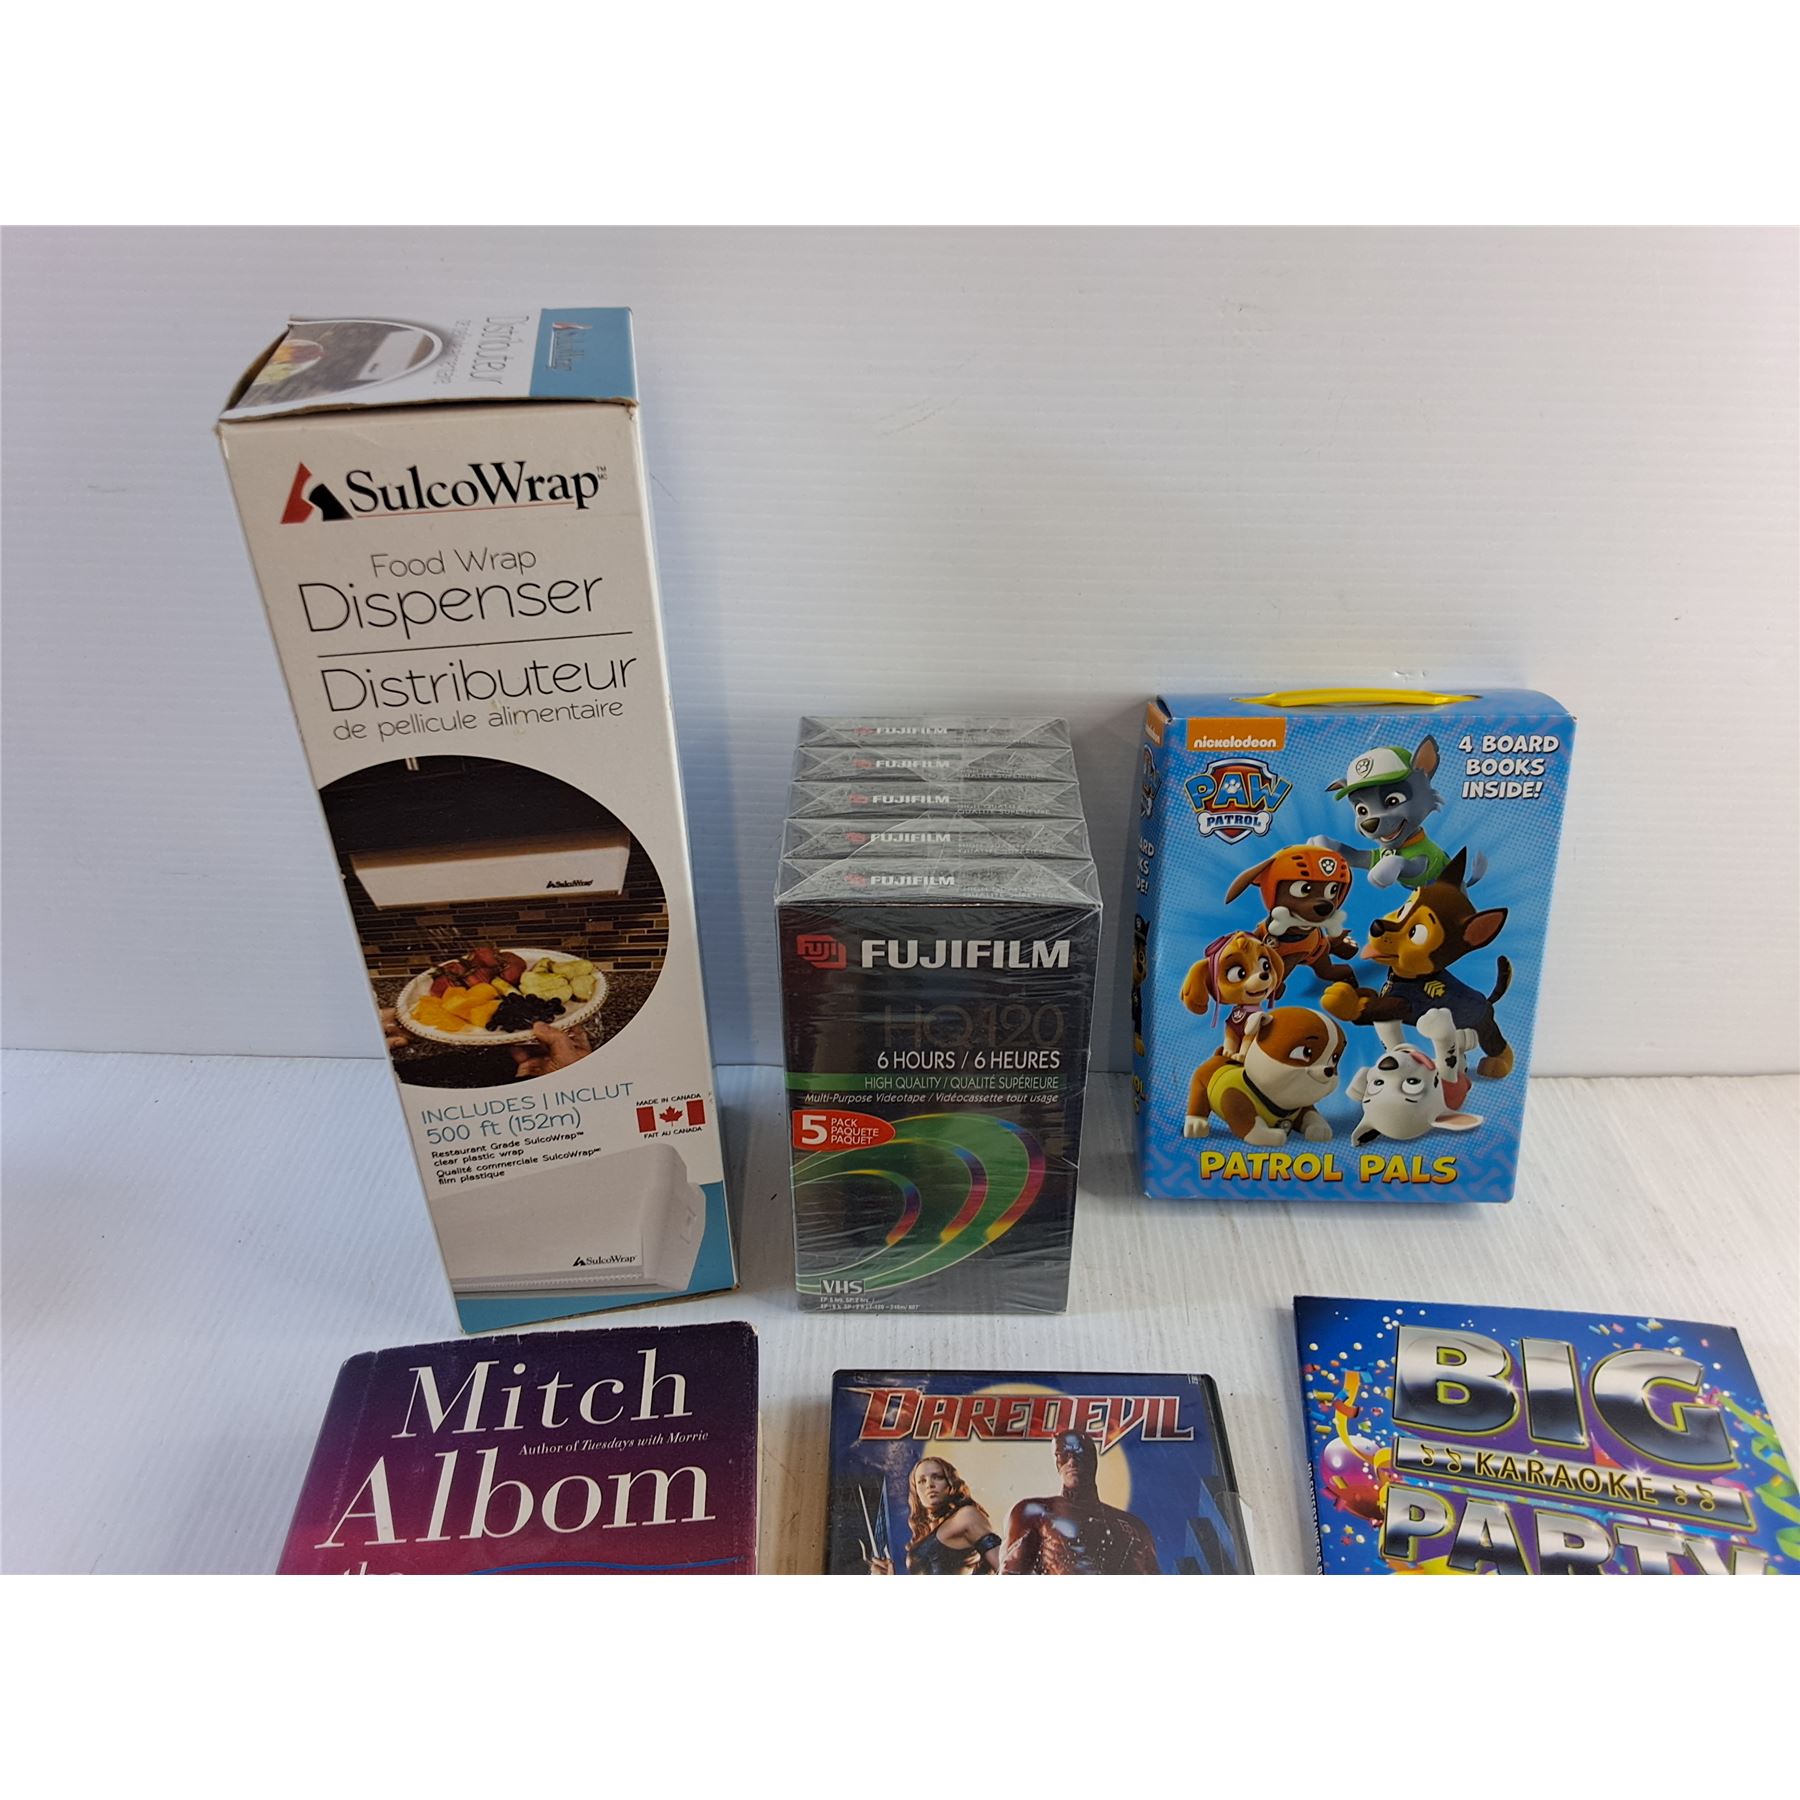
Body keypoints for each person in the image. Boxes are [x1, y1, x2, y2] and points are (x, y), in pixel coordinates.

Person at [1002, 1431, 1159, 1574]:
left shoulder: (1134, 1527)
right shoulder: (1034, 1512)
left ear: (1092, 1460)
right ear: (1057, 1461)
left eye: (1079, 1454)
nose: (1072, 1462)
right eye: (1064, 1455)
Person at [867, 1456, 1001, 1575]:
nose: (929, 1485)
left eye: (937, 1477)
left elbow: (1007, 1567)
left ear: (950, 1484)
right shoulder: (926, 1531)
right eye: (921, 1481)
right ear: (916, 1492)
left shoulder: (966, 1516)